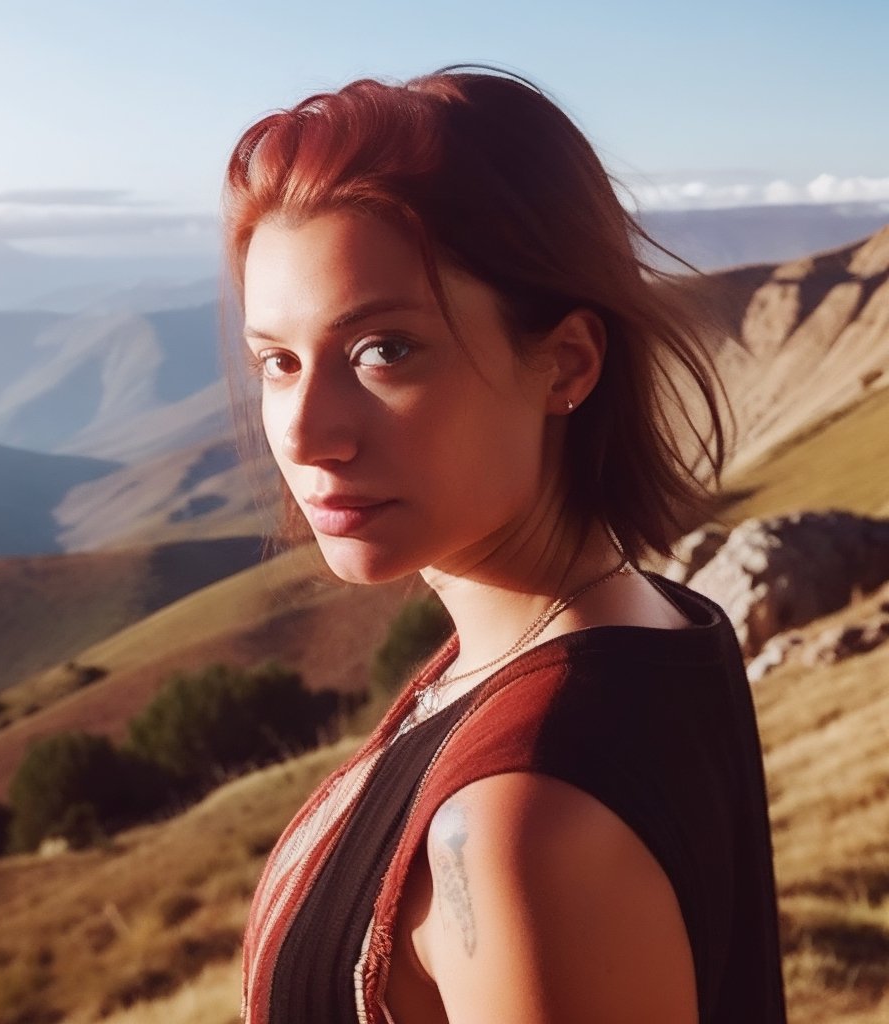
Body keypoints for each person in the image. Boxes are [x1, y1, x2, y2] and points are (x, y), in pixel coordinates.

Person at [222, 66, 787, 1024]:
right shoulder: (647, 622)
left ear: (565, 361)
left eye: (383, 350)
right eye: (278, 360)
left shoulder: (518, 827)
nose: (307, 433)